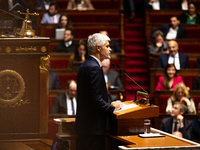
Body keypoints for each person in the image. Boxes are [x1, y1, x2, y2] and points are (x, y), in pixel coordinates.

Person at [75, 33, 123, 150]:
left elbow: (90, 97)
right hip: (93, 129)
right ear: (98, 48)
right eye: (107, 46)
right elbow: (96, 100)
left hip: (85, 127)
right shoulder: (94, 68)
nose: (110, 49)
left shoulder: (85, 65)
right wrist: (113, 107)